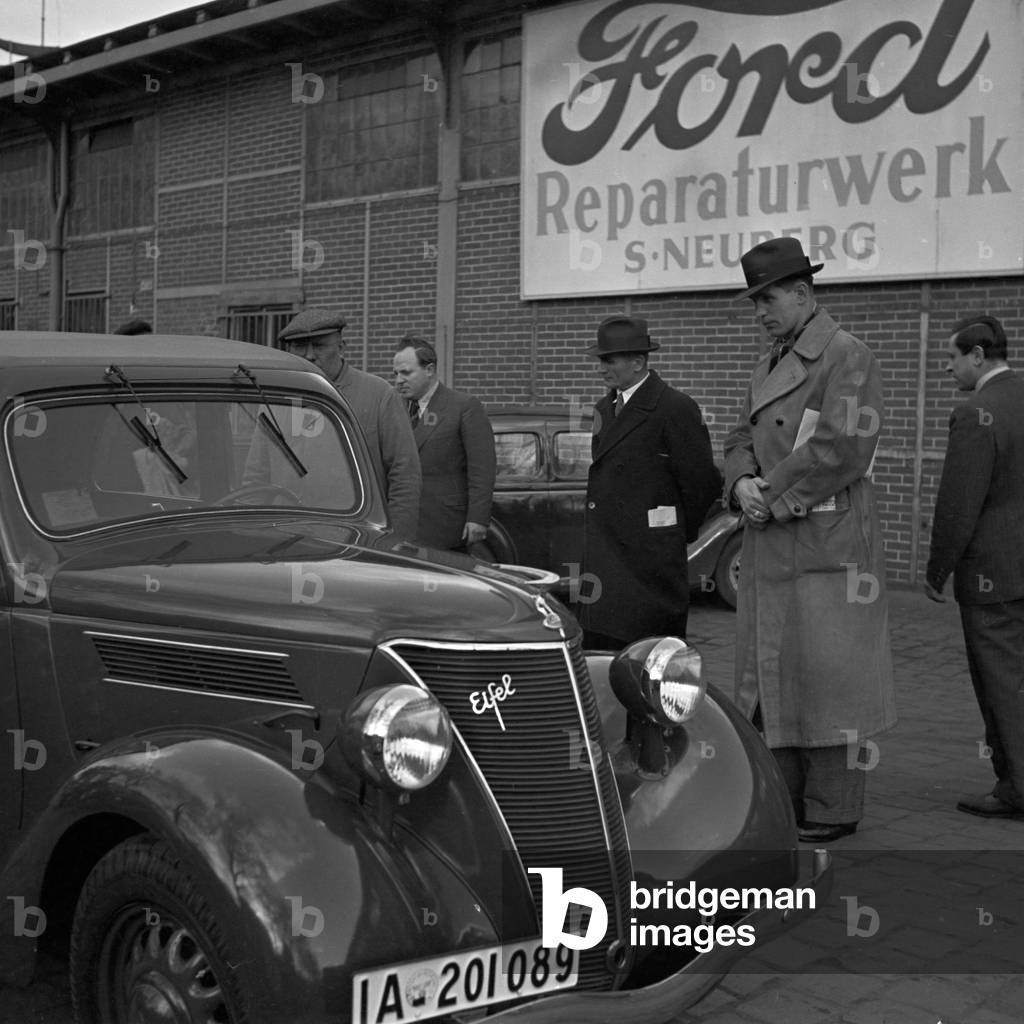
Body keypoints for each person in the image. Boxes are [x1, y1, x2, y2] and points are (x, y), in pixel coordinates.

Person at [723, 237, 896, 844]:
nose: (760, 312)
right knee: (778, 676)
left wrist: (769, 496)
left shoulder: (846, 355)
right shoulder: (771, 360)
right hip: (775, 536)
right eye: (754, 302)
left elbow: (843, 447)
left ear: (802, 292)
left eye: (767, 298)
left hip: (824, 544)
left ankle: (833, 808)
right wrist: (740, 479)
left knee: (829, 681)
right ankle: (786, 802)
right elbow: (737, 434)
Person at [924, 314, 1024, 820]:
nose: (947, 369)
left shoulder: (975, 413)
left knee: (1001, 682)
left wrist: (938, 567)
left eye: (952, 358)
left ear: (979, 356)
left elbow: (959, 503)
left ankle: (1016, 788)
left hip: (995, 575)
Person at [579, 314, 719, 650]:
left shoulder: (674, 408)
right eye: (600, 360)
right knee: (603, 662)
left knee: (649, 666)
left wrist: (665, 532)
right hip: (604, 565)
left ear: (638, 361)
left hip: (648, 570)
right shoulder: (605, 408)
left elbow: (701, 484)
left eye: (609, 360)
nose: (601, 369)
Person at [277, 309, 420, 540]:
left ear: (342, 347)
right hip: (287, 540)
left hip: (357, 540)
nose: (309, 355)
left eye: (320, 345)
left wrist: (395, 542)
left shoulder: (378, 395)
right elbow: (257, 474)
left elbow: (405, 475)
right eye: (299, 346)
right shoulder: (274, 398)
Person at [392, 336, 496, 551]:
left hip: (445, 526)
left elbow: (482, 468)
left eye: (406, 372)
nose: (398, 380)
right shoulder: (396, 409)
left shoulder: (463, 406)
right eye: (396, 374)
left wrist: (478, 518)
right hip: (403, 526)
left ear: (429, 370)